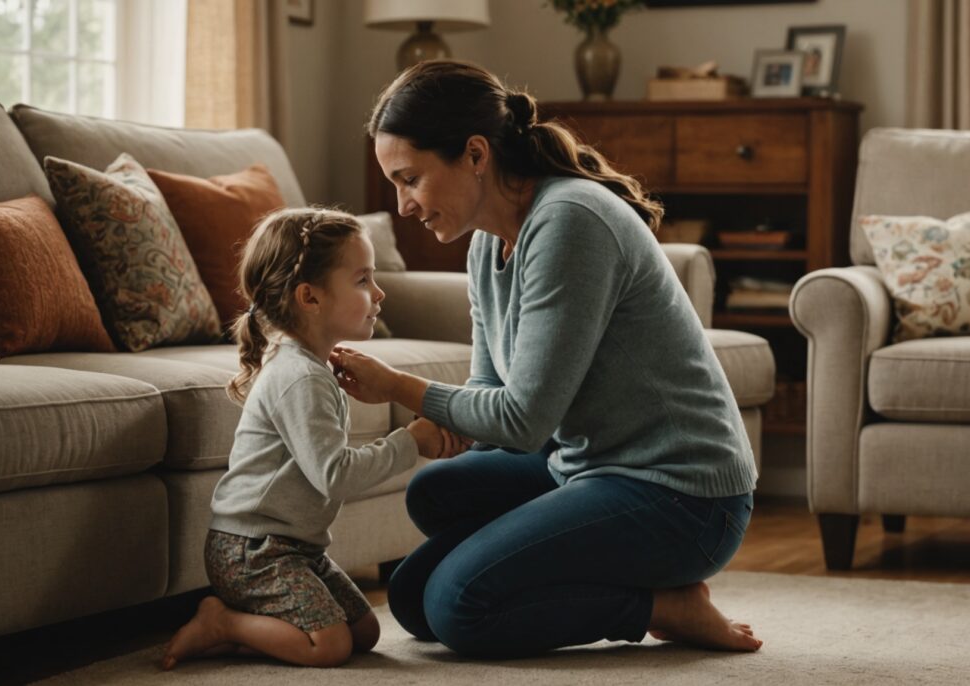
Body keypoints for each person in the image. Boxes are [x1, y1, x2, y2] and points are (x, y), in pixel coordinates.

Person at [331, 59, 763, 659]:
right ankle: (564, 564)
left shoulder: (570, 221)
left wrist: (400, 388)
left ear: (475, 155)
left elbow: (524, 421)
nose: (403, 206)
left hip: (682, 496)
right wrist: (438, 426)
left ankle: (665, 605)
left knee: (458, 607)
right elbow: (490, 385)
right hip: (589, 467)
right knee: (414, 583)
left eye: (410, 179)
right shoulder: (485, 243)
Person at [161, 208, 468, 670]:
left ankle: (245, 635)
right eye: (363, 280)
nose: (379, 293)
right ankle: (221, 622)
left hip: (296, 548)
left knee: (363, 633)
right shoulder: (298, 377)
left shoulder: (311, 368)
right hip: (253, 550)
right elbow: (334, 476)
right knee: (329, 646)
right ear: (310, 297)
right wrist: (410, 441)